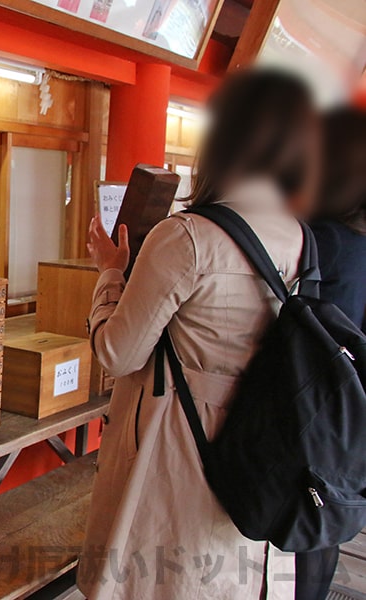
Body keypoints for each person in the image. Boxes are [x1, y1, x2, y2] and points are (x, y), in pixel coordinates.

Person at [77, 69, 320, 599]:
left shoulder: (187, 237)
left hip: (179, 450)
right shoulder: (299, 236)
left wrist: (110, 273)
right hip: (260, 449)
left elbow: (118, 352)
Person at [294, 107, 366, 600]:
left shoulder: (317, 238)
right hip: (352, 413)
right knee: (328, 518)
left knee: (300, 521)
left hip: (310, 408)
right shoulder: (356, 237)